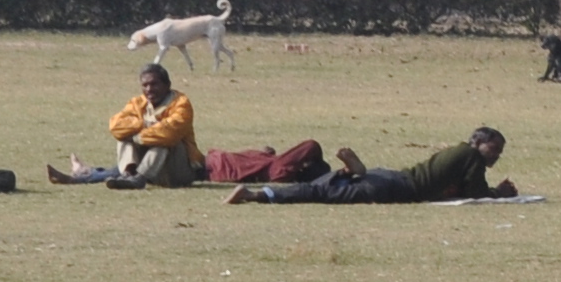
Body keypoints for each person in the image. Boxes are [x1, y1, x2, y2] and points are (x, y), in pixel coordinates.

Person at [223, 128, 516, 206]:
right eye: (494, 149)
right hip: (393, 187)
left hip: (387, 176)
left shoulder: (459, 154)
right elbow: (477, 192)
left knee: (321, 186)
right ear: (477, 143)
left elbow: (460, 190)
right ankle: (255, 195)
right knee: (319, 194)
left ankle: (352, 171)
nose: (496, 156)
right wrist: (500, 194)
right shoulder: (471, 157)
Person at [53, 64, 200, 185]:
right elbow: (116, 126)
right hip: (153, 171)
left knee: (162, 142)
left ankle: (86, 175)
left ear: (167, 85)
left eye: (154, 84)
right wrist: (143, 124)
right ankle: (128, 175)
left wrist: (137, 137)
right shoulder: (138, 103)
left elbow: (169, 133)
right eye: (145, 85)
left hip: (177, 173)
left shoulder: (181, 104)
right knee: (124, 137)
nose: (149, 89)